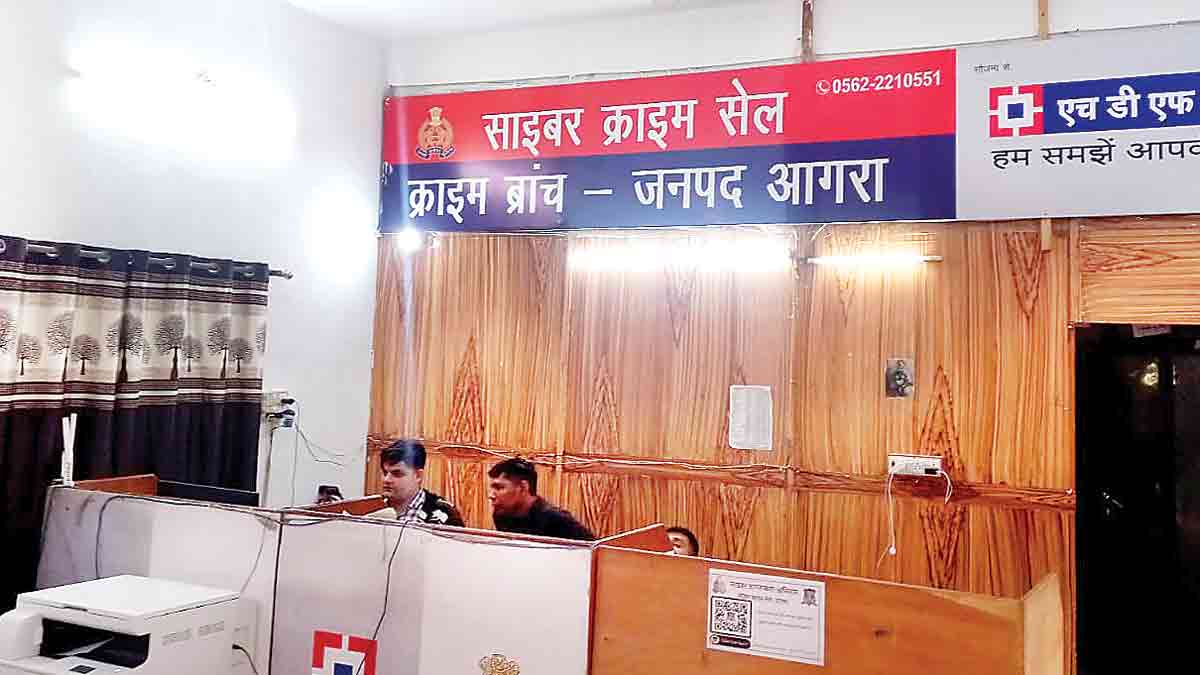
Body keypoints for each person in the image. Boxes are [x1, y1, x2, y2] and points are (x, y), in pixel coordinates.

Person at [488, 458, 594, 541]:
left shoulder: (558, 520)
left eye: (499, 488)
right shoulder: (502, 515)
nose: (491, 495)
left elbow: (595, 551)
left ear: (523, 487)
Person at [368, 440, 464, 526]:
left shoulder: (445, 514)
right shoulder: (371, 508)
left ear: (418, 476)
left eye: (397, 473)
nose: (386, 479)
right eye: (385, 473)